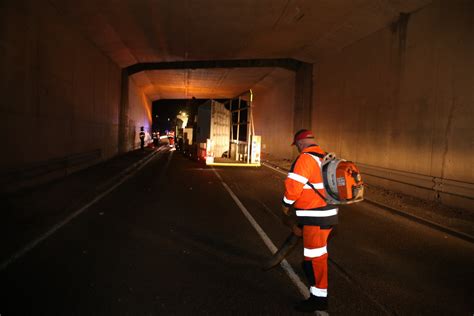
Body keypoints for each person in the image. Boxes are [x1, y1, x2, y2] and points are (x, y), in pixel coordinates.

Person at [281, 129, 338, 313]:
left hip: (315, 217)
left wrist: (285, 205)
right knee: (317, 257)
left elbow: (293, 188)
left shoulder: (305, 159)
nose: (297, 148)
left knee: (313, 260)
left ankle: (318, 299)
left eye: (297, 145)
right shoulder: (325, 156)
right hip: (329, 216)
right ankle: (319, 295)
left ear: (300, 143)